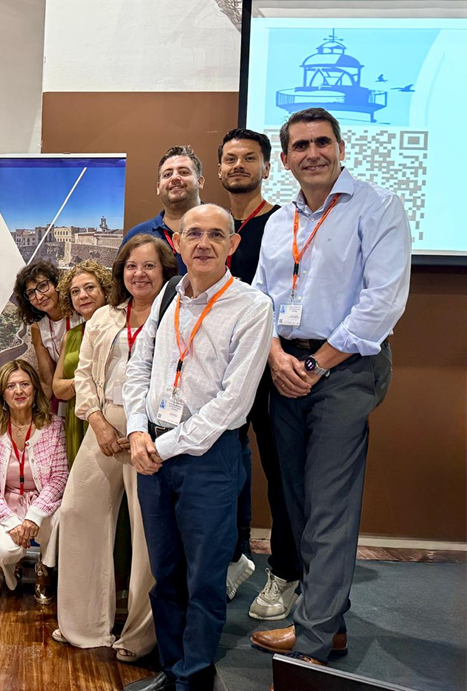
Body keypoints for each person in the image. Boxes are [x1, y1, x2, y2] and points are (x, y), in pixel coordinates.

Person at [250, 108, 411, 671]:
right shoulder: (279, 221)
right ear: (285, 159)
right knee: (296, 502)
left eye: (322, 142)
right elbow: (261, 298)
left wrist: (316, 364)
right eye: (300, 146)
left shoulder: (379, 206)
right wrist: (275, 354)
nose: (312, 153)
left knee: (329, 503)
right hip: (285, 365)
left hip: (345, 368)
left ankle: (312, 644)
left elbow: (382, 303)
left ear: (341, 148)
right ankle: (328, 625)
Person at [122, 204, 273, 691]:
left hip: (208, 457)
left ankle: (193, 678)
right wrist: (138, 431)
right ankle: (171, 671)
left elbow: (233, 403)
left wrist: (162, 446)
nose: (203, 243)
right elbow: (139, 368)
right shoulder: (167, 295)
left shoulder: (252, 307)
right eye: (193, 234)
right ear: (178, 243)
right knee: (165, 573)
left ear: (233, 245)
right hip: (152, 452)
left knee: (204, 579)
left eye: (216, 234)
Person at [53, 235, 177, 664]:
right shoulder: (105, 316)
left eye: (149, 266)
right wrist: (99, 421)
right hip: (104, 424)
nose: (139, 274)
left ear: (165, 272)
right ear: (120, 273)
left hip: (154, 432)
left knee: (146, 532)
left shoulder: (176, 314)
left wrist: (144, 428)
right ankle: (84, 624)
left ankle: (139, 636)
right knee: (77, 512)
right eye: (131, 266)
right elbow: (84, 374)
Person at [216, 128, 299, 617]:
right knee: (222, 468)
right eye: (230, 159)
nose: (239, 166)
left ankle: (285, 572)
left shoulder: (284, 223)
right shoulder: (211, 225)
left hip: (269, 365)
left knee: (279, 471)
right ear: (219, 169)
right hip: (217, 367)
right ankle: (232, 557)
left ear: (268, 167)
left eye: (249, 158)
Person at [0, 360, 68, 602]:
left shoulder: (54, 427)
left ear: (34, 389)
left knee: (63, 518)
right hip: (7, 504)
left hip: (45, 505)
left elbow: (59, 477)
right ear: (1, 394)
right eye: (11, 386)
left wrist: (34, 515)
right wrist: (10, 522)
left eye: (25, 384)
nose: (18, 391)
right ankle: (12, 564)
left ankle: (44, 568)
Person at [52, 260, 113, 462]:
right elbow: (57, 388)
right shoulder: (71, 336)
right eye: (75, 292)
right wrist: (82, 383)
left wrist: (78, 385)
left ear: (104, 290)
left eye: (89, 288)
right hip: (77, 418)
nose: (83, 295)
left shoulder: (120, 329)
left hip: (109, 419)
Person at [119, 144, 205, 274]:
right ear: (158, 187)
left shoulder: (221, 228)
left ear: (200, 181)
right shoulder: (136, 235)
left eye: (183, 172)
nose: (174, 178)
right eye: (167, 174)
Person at [12, 260, 81, 402]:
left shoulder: (81, 313)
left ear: (57, 284)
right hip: (66, 396)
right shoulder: (38, 327)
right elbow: (47, 381)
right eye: (31, 293)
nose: (39, 296)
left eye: (43, 286)